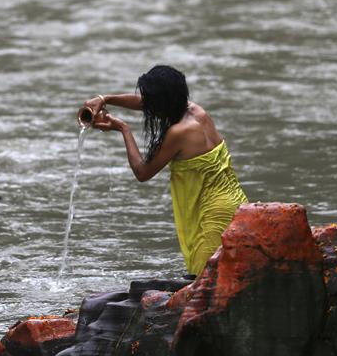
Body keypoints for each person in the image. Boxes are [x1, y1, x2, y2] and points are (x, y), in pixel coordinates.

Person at [86, 65, 248, 277]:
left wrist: (123, 129)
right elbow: (145, 102)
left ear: (162, 103)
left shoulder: (178, 132)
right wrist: (105, 98)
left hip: (213, 214)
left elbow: (142, 172)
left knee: (205, 279)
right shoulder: (197, 112)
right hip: (234, 202)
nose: (146, 105)